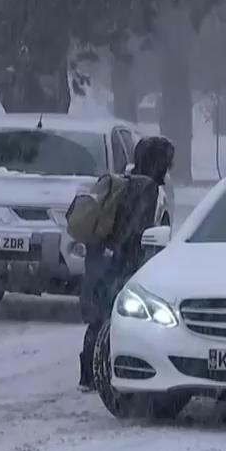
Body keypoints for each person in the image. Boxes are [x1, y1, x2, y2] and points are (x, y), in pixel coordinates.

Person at [78, 136, 174, 391]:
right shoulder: (147, 188)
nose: (169, 167)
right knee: (118, 320)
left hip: (100, 257)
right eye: (166, 161)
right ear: (157, 161)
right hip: (121, 263)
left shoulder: (123, 181)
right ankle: (103, 372)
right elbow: (138, 232)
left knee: (98, 319)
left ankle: (87, 373)